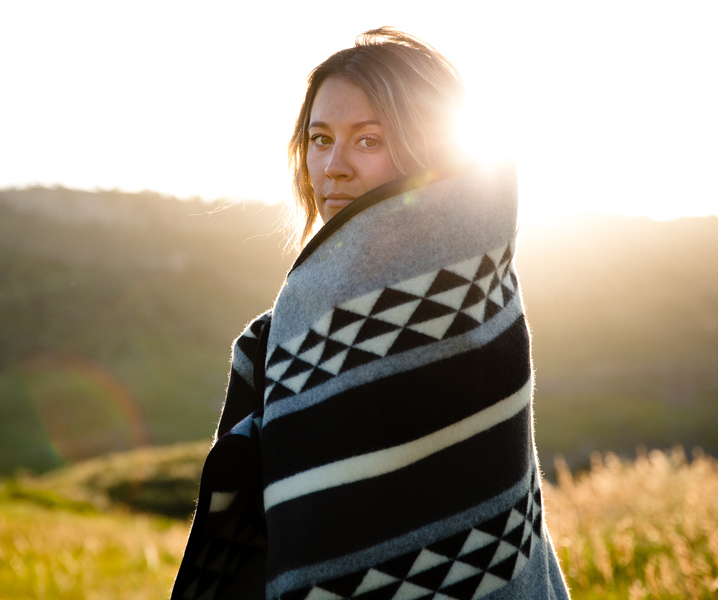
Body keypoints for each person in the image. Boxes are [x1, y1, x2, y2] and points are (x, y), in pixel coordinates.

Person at [172, 28, 571, 600]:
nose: (332, 166)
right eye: (319, 139)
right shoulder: (287, 331)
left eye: (368, 140)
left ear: (430, 149)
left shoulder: (466, 302)